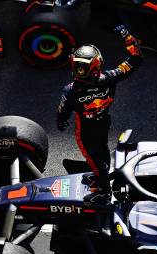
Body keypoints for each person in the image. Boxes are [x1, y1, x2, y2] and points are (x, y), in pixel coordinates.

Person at [57, 24, 142, 205]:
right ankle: (100, 176)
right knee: (102, 152)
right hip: (104, 123)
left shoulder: (69, 91)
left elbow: (63, 112)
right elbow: (135, 59)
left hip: (85, 132)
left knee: (95, 161)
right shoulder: (110, 78)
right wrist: (127, 37)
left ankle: (103, 193)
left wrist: (61, 121)